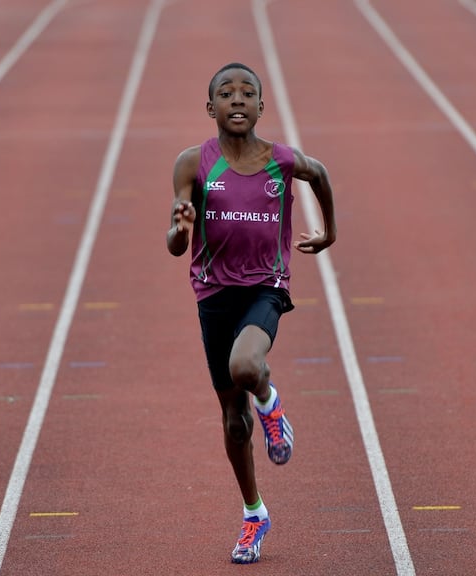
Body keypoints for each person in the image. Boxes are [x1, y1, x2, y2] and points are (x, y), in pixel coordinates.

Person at [165, 62, 337, 564]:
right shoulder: (193, 164)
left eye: (246, 94)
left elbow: (320, 173)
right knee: (233, 421)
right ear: (210, 107)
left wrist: (329, 232)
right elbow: (177, 244)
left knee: (246, 367)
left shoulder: (280, 161)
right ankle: (254, 513)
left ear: (261, 107)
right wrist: (181, 226)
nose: (236, 100)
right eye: (226, 93)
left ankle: (272, 403)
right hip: (213, 294)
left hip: (266, 286)